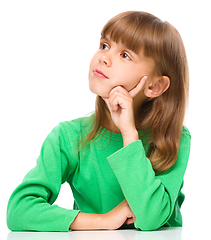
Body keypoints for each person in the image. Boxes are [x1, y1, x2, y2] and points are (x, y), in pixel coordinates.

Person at [7, 11, 191, 232]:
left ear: (154, 86)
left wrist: (129, 134)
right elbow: (19, 210)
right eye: (104, 45)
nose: (103, 57)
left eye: (125, 55)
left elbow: (151, 217)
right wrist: (104, 221)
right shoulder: (69, 136)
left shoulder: (174, 138)